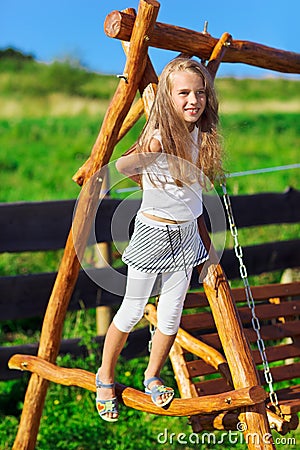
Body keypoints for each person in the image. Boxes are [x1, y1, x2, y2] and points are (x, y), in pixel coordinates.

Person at [95, 57, 224, 422]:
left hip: (186, 238)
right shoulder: (158, 135)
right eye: (183, 93)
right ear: (168, 97)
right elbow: (122, 167)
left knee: (171, 315)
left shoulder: (201, 133)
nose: (193, 100)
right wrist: (144, 163)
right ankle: (104, 376)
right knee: (134, 309)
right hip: (154, 233)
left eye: (200, 93)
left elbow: (195, 200)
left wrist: (209, 249)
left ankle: (152, 375)